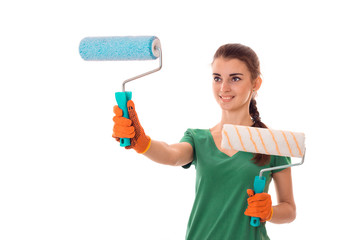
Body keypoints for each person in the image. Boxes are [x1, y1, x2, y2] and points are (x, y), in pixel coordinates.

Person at [112, 43, 296, 239]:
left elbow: (289, 209)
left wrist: (269, 212)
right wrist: (142, 142)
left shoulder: (273, 144)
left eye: (235, 78)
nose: (224, 88)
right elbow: (171, 154)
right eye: (217, 78)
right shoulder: (198, 139)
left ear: (255, 83)